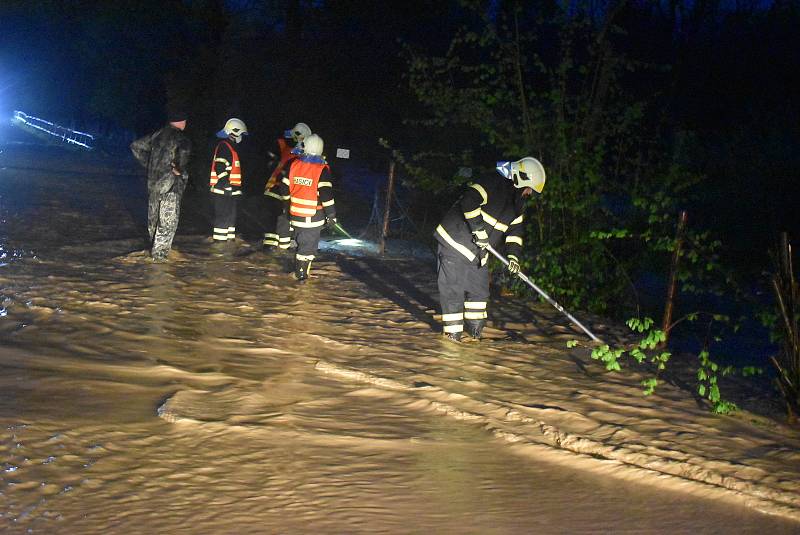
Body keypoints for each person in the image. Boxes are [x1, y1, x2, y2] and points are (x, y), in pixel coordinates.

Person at [434, 157, 546, 342]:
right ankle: (451, 338)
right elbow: (469, 201)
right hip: (455, 242)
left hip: (479, 252)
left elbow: (515, 233)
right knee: (453, 290)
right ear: (521, 178)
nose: (529, 193)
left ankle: (474, 336)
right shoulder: (492, 182)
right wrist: (478, 230)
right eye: (529, 188)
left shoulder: (517, 205)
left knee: (479, 294)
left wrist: (513, 257)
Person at [130, 109, 192, 263]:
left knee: (153, 220)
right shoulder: (182, 139)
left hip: (153, 185)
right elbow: (181, 163)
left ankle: (153, 253)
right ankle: (159, 262)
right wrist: (179, 171)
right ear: (181, 121)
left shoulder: (157, 135)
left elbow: (135, 146)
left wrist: (150, 164)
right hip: (170, 187)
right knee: (167, 223)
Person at [276, 133, 337, 281]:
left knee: (300, 244)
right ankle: (301, 280)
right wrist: (332, 216)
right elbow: (326, 195)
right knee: (307, 249)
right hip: (313, 218)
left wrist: (288, 205)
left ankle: (296, 272)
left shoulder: (293, 165)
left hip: (295, 216)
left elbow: (283, 187)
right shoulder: (322, 170)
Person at [262, 122, 311, 253]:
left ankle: (269, 247)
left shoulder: (286, 150)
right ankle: (282, 248)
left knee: (273, 218)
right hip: (283, 191)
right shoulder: (300, 157)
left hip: (272, 189)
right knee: (284, 217)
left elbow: (277, 142)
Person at [209, 117, 248, 245]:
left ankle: (229, 246)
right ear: (234, 132)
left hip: (230, 191)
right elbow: (220, 167)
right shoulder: (224, 147)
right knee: (223, 218)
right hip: (223, 190)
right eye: (241, 134)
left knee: (230, 218)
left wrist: (234, 189)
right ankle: (219, 248)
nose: (241, 137)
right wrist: (226, 185)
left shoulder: (231, 148)